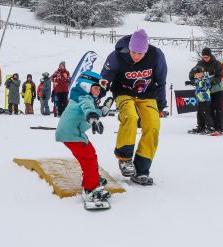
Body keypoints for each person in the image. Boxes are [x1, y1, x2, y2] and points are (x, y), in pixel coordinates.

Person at [101, 29, 167, 186]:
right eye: (134, 52)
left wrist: (161, 104)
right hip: (124, 92)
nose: (137, 56)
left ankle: (141, 169)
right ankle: (124, 159)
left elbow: (161, 80)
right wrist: (97, 95)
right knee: (130, 116)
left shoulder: (156, 55)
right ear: (129, 48)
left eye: (141, 53)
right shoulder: (117, 56)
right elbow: (104, 80)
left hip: (147, 95)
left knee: (153, 126)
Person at [55, 71, 113, 205]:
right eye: (96, 88)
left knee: (91, 154)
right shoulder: (84, 97)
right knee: (88, 159)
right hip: (71, 134)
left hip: (74, 133)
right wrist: (93, 116)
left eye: (99, 89)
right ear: (86, 86)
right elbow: (87, 107)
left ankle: (92, 177)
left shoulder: (81, 96)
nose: (98, 91)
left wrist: (102, 111)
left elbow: (89, 108)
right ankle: (91, 189)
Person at [190, 48, 223, 135]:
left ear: (210, 55)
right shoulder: (200, 63)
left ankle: (219, 128)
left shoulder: (217, 64)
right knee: (208, 109)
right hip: (206, 90)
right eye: (204, 57)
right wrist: (193, 80)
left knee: (218, 109)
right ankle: (208, 127)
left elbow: (219, 77)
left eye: (207, 57)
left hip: (217, 89)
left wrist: (210, 82)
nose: (205, 58)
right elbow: (193, 73)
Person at [187, 66, 213, 134]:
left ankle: (210, 127)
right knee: (199, 113)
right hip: (200, 99)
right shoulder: (197, 80)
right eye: (196, 74)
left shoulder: (205, 79)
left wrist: (204, 87)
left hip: (206, 99)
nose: (198, 75)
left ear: (202, 73)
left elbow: (208, 86)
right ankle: (201, 127)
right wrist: (189, 82)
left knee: (206, 113)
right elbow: (195, 83)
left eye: (199, 74)